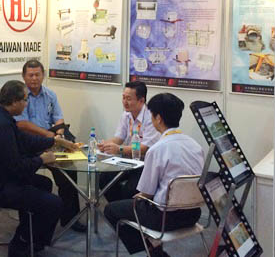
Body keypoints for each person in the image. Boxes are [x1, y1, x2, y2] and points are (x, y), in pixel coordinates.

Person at [0, 80, 79, 257]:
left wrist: (54, 141)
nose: (26, 103)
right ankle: (20, 244)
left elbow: (24, 140)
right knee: (54, 204)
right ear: (14, 101)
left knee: (44, 184)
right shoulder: (0, 125)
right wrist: (41, 159)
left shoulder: (1, 116)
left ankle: (34, 240)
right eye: (24, 99)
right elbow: (17, 167)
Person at [104, 93, 205, 257]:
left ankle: (152, 249)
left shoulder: (157, 149)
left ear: (158, 118)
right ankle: (152, 246)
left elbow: (146, 193)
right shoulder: (195, 145)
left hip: (164, 218)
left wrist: (138, 197)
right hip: (193, 214)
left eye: (151, 115)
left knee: (111, 210)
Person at [15, 59, 86, 232]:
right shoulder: (19, 96)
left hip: (52, 139)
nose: (34, 78)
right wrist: (49, 136)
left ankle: (70, 219)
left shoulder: (50, 94)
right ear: (23, 77)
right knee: (27, 176)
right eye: (30, 75)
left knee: (68, 171)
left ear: (43, 75)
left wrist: (59, 134)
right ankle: (32, 220)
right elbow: (22, 124)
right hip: (29, 143)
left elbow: (58, 118)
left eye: (37, 75)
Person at [98, 81, 160, 201]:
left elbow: (145, 148)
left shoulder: (151, 117)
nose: (124, 102)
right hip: (128, 160)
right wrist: (105, 144)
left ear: (141, 100)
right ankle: (116, 208)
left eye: (129, 99)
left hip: (145, 164)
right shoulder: (126, 115)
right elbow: (119, 138)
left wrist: (119, 149)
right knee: (104, 179)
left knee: (129, 190)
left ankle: (123, 209)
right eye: (123, 97)